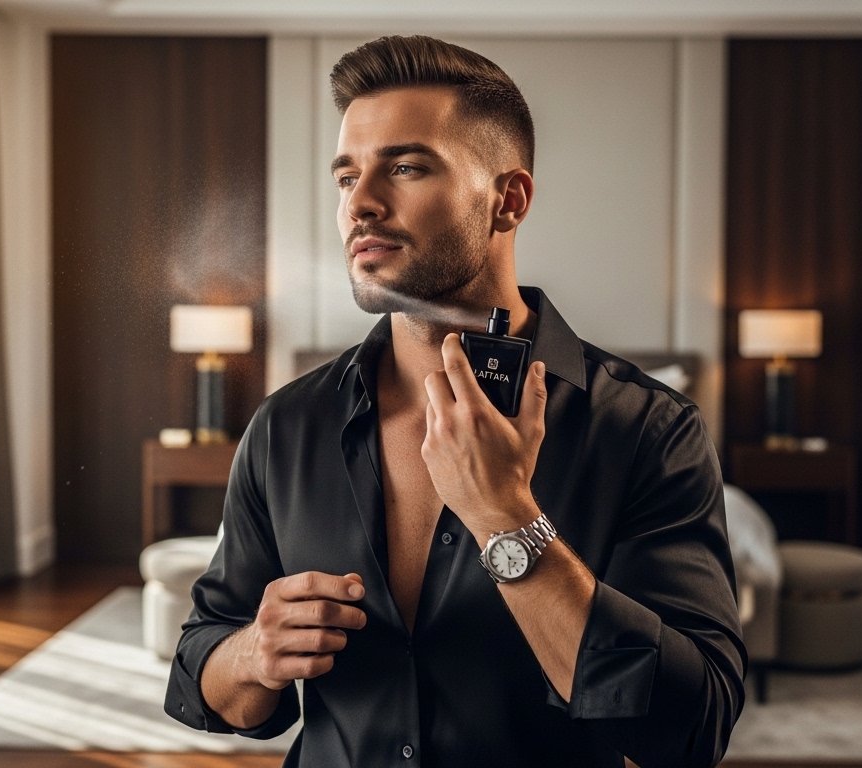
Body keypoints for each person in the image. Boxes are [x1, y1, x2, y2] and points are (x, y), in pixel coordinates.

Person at [165, 35, 745, 767]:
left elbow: (692, 731)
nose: (362, 205)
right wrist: (253, 651)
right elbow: (203, 670)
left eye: (405, 167)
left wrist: (507, 517)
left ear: (509, 200)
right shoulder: (288, 426)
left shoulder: (650, 431)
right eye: (347, 177)